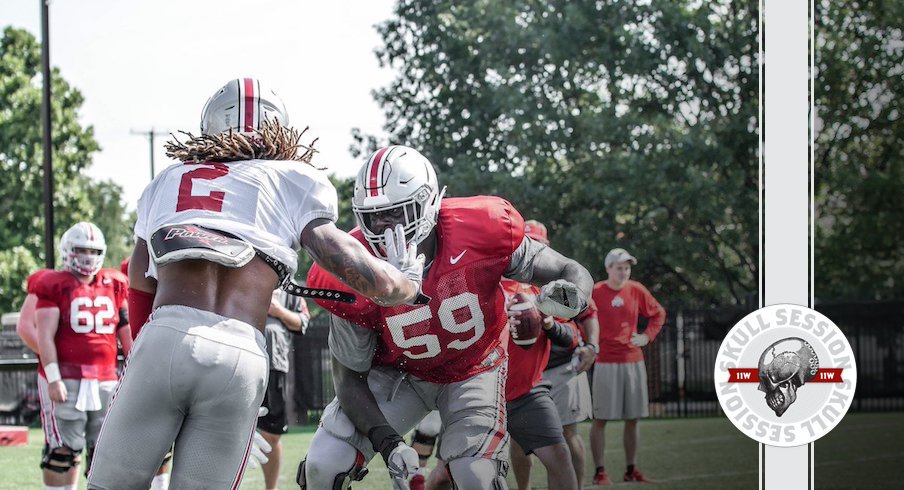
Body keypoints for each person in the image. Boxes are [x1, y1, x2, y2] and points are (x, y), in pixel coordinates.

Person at [87, 78, 425, 490]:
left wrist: (147, 357)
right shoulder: (293, 178)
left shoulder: (169, 179)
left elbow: (138, 275)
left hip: (165, 335)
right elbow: (352, 265)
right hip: (241, 354)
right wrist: (404, 283)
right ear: (279, 129)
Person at [300, 145, 594, 489]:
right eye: (374, 216)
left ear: (428, 204)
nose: (384, 227)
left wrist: (573, 295)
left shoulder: (482, 228)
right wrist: (390, 444)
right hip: (399, 374)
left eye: (397, 213)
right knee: (324, 464)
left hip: (474, 368)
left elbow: (567, 268)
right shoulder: (350, 268)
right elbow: (349, 380)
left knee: (477, 478)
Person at [421, 276, 580, 490]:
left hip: (526, 393)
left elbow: (571, 338)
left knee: (559, 455)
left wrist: (548, 322)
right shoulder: (476, 285)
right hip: (480, 393)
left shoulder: (540, 291)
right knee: (443, 474)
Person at [33, 222, 132, 489]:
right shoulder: (54, 284)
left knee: (103, 448)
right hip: (66, 377)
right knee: (62, 451)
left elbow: (126, 332)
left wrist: (135, 371)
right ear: (67, 250)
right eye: (80, 249)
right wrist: (53, 377)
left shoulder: (114, 284)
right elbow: (43, 334)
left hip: (105, 377)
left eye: (93, 250)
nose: (87, 256)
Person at [527, 220, 599, 489]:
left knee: (567, 434)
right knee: (521, 441)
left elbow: (589, 314)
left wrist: (592, 347)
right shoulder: (509, 274)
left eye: (537, 242)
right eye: (527, 241)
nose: (532, 247)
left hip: (561, 366)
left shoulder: (561, 277)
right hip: (525, 370)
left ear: (546, 246)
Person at [589, 248, 666, 485]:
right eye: (619, 267)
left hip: (633, 360)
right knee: (600, 419)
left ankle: (631, 470)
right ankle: (600, 472)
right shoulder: (595, 291)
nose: (624, 272)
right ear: (609, 268)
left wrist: (646, 337)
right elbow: (579, 317)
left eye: (627, 267)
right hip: (605, 361)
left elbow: (658, 314)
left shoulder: (636, 289)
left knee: (633, 418)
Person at [258, 289, 311, 490]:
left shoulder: (291, 285)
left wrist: (278, 311)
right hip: (238, 361)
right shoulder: (245, 268)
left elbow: (302, 322)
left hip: (274, 365)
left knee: (271, 434)